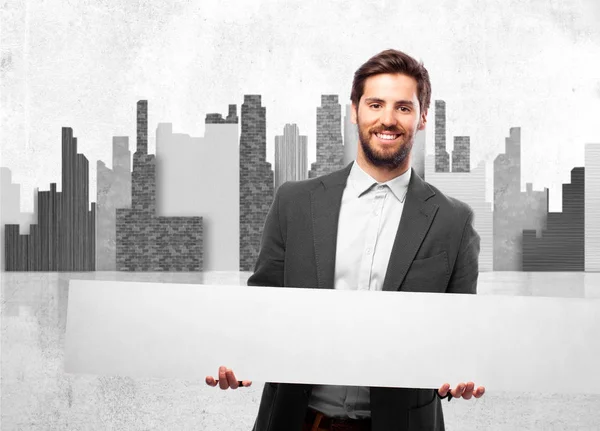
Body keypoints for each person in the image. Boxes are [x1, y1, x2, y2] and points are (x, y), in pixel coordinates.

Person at [206, 49, 485, 431]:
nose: (387, 119)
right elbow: (260, 310)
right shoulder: (295, 202)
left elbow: (459, 335)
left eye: (403, 107)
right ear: (354, 111)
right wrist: (236, 356)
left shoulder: (454, 221)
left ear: (422, 118)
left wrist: (461, 372)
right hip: (297, 422)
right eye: (375, 104)